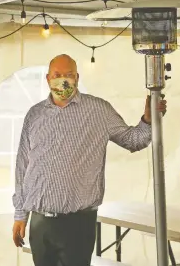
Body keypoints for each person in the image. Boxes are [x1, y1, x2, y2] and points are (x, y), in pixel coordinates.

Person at [12, 54, 167, 266]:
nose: (63, 80)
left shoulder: (98, 110)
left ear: (77, 77)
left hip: (79, 223)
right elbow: (22, 167)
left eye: (68, 75)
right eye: (57, 75)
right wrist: (21, 214)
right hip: (41, 223)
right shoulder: (35, 115)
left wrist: (148, 120)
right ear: (47, 78)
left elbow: (133, 140)